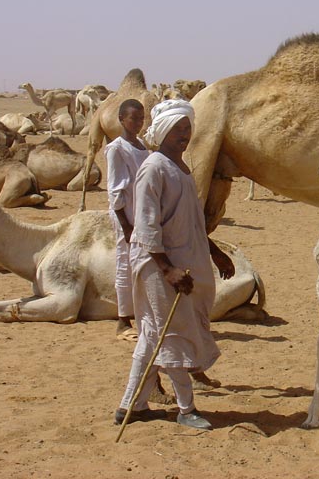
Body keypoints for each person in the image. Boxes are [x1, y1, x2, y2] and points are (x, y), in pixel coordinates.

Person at [115, 99, 226, 430]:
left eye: (187, 127)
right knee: (173, 334)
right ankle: (186, 408)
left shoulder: (180, 168)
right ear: (162, 130)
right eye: (177, 127)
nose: (185, 133)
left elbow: (191, 222)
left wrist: (214, 251)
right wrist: (167, 269)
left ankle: (129, 406)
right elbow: (147, 226)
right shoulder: (154, 168)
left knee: (152, 335)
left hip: (181, 262)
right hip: (156, 264)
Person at [104, 99, 149, 341]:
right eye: (134, 118)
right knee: (125, 262)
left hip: (143, 212)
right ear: (122, 119)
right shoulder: (117, 148)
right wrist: (126, 224)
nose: (138, 123)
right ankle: (123, 320)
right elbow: (115, 189)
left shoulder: (142, 146)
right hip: (127, 214)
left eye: (141, 118)